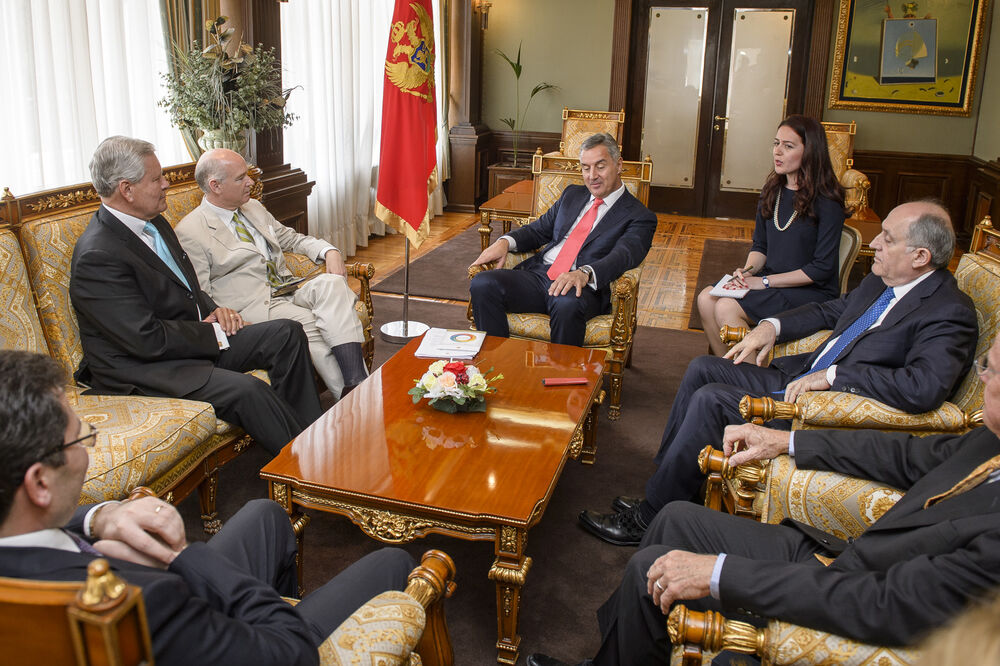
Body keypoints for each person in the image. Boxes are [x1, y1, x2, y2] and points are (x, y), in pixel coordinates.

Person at [527, 334, 1000, 666]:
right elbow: (905, 454)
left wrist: (717, 574)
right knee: (674, 520)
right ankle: (616, 655)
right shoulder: (988, 442)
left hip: (852, 597)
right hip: (846, 559)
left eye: (991, 370)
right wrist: (786, 442)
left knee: (653, 562)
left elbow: (890, 605)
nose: (983, 381)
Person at [578, 199, 977, 546]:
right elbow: (830, 311)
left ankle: (649, 517)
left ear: (921, 256)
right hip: (796, 379)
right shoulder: (883, 283)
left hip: (826, 411)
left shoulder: (948, 311)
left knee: (713, 399)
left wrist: (834, 378)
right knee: (703, 367)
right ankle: (672, 484)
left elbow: (923, 388)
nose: (875, 243)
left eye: (888, 238)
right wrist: (772, 325)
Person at [0, 349, 414, 666]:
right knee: (394, 562)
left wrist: (99, 516)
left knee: (265, 515)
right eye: (82, 438)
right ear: (39, 482)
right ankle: (283, 612)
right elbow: (292, 653)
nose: (89, 447)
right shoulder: (146, 599)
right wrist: (183, 555)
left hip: (187, 618)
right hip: (258, 640)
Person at [70, 136, 322, 456]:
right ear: (126, 189)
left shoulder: (154, 221)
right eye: (157, 178)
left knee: (286, 333)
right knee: (248, 390)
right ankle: (305, 471)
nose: (167, 184)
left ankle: (313, 441)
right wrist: (211, 332)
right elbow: (145, 338)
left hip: (187, 343)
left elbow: (187, 286)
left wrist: (215, 309)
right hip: (144, 368)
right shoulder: (98, 255)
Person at [175, 149, 367, 399]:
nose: (251, 182)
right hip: (255, 308)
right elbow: (201, 296)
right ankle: (357, 397)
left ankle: (355, 385)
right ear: (215, 186)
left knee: (332, 285)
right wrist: (234, 323)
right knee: (318, 327)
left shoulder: (253, 207)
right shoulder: (190, 232)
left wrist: (329, 251)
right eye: (241, 177)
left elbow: (290, 238)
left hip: (289, 289)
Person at [469, 132, 656, 346]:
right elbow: (538, 230)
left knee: (566, 304)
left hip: (582, 288)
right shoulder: (572, 195)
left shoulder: (640, 216)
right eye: (586, 168)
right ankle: (499, 364)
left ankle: (560, 377)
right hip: (540, 275)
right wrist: (504, 242)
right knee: (483, 283)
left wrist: (584, 273)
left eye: (600, 166)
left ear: (619, 164)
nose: (592, 175)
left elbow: (623, 256)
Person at [697, 115, 846, 356]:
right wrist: (747, 272)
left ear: (810, 152)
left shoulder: (828, 201)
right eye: (776, 143)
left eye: (788, 146)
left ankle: (748, 382)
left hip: (810, 292)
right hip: (770, 280)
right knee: (706, 299)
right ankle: (725, 372)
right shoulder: (772, 190)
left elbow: (821, 269)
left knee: (726, 307)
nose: (778, 152)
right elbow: (761, 246)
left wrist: (764, 282)